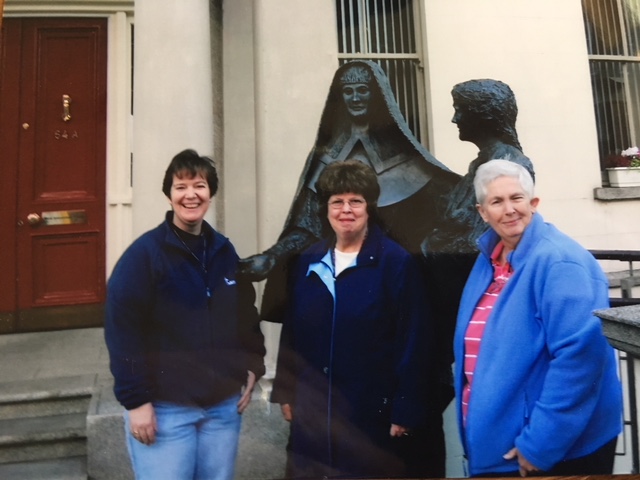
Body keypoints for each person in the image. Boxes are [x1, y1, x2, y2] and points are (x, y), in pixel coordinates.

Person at [271, 160, 442, 478]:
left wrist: (405, 407)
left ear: (369, 207)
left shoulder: (396, 263)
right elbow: (292, 332)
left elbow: (414, 341)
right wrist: (286, 392)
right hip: (312, 412)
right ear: (326, 208)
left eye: (355, 201)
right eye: (337, 201)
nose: (345, 209)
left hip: (369, 415)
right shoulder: (308, 261)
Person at [453, 159, 622, 477]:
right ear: (482, 212)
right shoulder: (491, 257)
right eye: (497, 201)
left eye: (517, 198)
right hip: (501, 447)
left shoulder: (560, 262)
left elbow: (580, 360)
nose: (509, 209)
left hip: (546, 452)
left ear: (533, 203)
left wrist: (540, 445)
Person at [104, 149, 266, 480]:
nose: (190, 194)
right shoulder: (144, 256)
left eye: (199, 185)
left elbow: (244, 312)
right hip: (166, 411)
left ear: (211, 194)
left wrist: (254, 363)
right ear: (169, 195)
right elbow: (123, 331)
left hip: (222, 409)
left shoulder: (223, 250)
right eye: (181, 186)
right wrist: (136, 403)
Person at [421, 79, 536, 400]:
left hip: (470, 293)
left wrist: (431, 245)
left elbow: (480, 240)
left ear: (483, 115)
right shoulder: (482, 163)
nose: (455, 119)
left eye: (460, 111)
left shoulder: (507, 165)